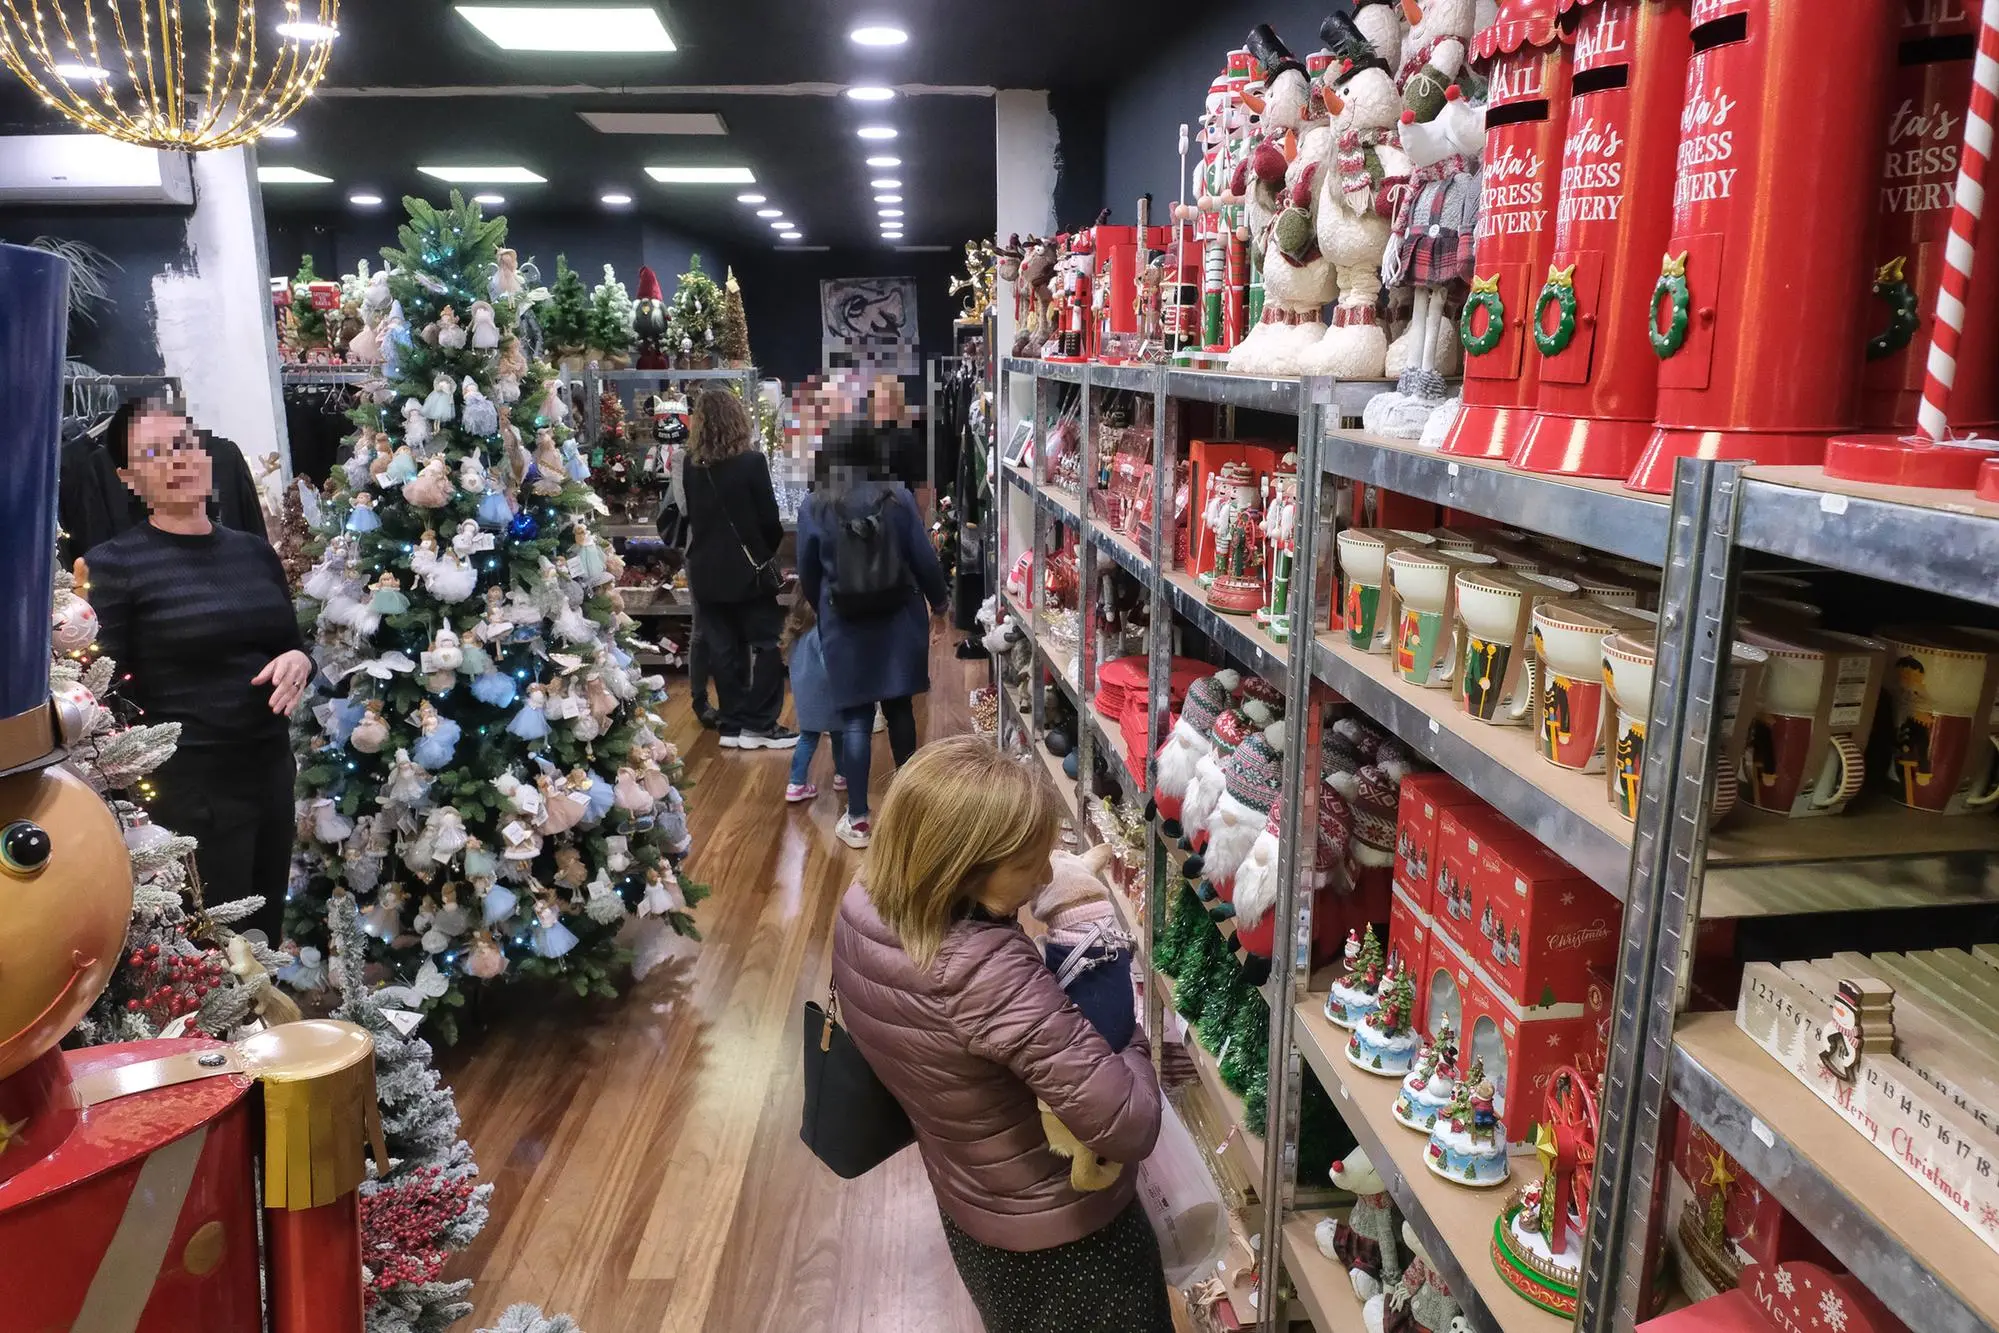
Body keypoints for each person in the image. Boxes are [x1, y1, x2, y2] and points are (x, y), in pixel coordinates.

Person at [830, 737, 1171, 1333]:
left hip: (973, 1199)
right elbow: (1130, 1120)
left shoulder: (867, 902)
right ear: (963, 868)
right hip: (1066, 1243)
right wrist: (1127, 1024)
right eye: (1027, 864)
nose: (1043, 875)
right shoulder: (983, 972)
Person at [82, 397, 311, 944]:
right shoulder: (113, 565)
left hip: (269, 774)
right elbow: (103, 698)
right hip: (189, 793)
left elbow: (291, 646)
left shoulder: (254, 553)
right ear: (127, 477)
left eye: (185, 443)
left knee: (264, 940)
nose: (177, 461)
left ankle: (262, 1032)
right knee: (213, 957)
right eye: (154, 453)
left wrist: (299, 661)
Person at [797, 381, 949, 849]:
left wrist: (819, 609)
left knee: (857, 720)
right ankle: (910, 813)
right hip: (899, 620)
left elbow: (806, 572)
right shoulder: (897, 496)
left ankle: (859, 819)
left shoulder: (814, 504)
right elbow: (924, 558)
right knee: (901, 711)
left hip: (844, 623)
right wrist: (939, 605)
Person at [682, 387, 794, 749]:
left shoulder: (690, 465)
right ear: (737, 420)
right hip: (747, 573)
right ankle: (759, 722)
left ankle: (731, 722)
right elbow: (770, 521)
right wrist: (763, 553)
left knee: (724, 650)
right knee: (770, 644)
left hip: (704, 571)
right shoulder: (751, 463)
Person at [780, 596, 845, 803]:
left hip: (805, 697)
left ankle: (796, 783)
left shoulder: (794, 636)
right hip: (828, 695)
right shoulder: (821, 633)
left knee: (807, 739)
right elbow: (830, 665)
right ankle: (842, 775)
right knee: (839, 736)